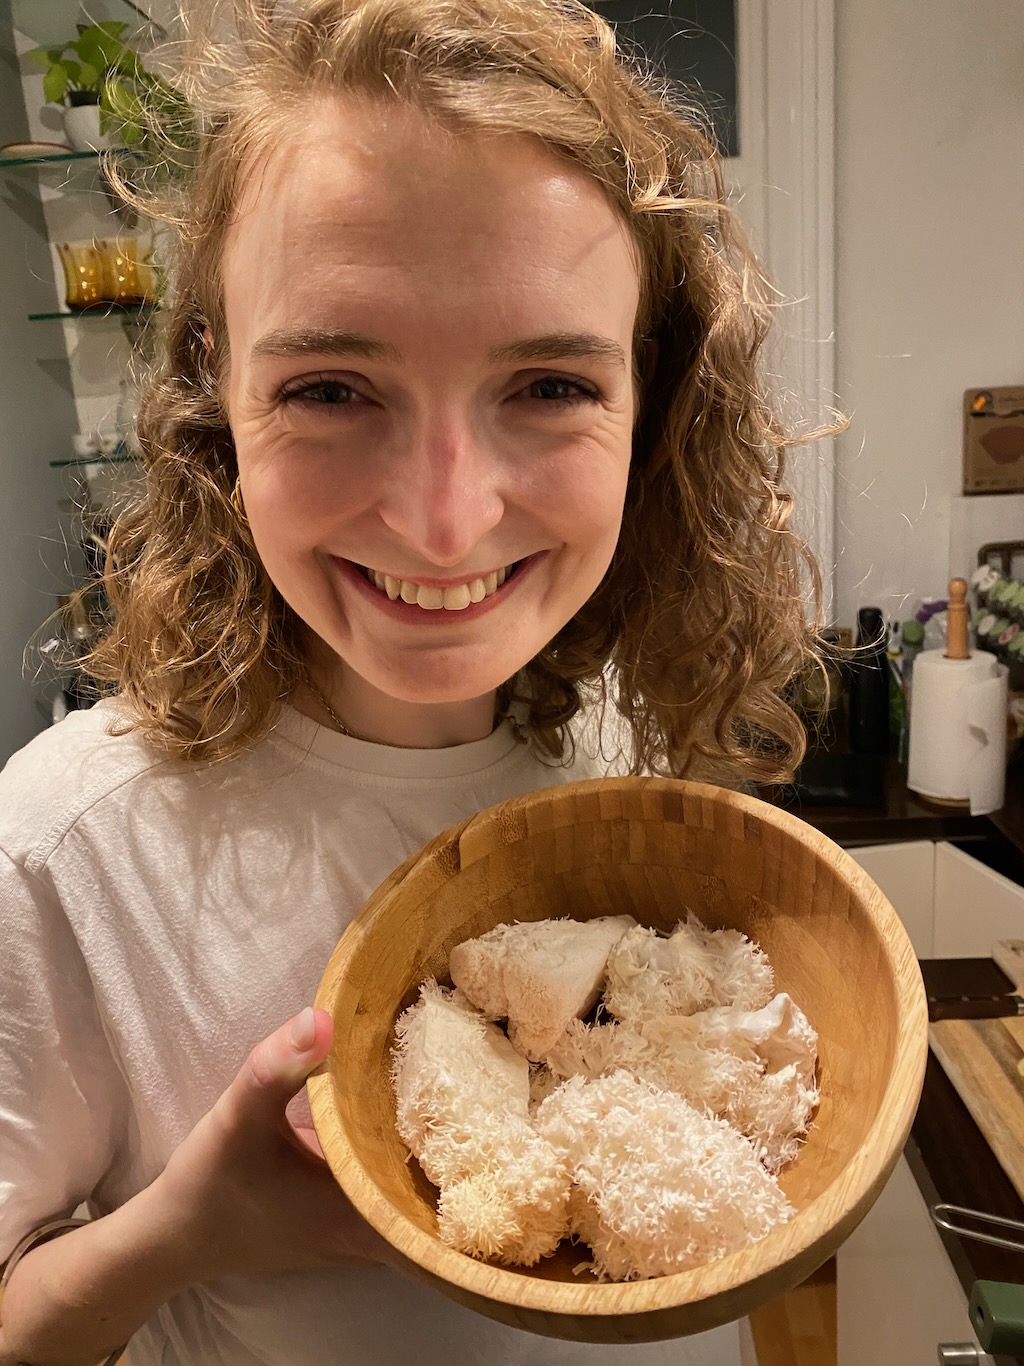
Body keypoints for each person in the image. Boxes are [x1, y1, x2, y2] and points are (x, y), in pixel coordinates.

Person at [0, 1, 824, 1362]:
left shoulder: (622, 737)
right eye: (332, 388)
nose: (445, 525)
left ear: (651, 394)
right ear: (214, 381)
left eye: (550, 384)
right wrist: (189, 1229)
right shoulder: (70, 851)